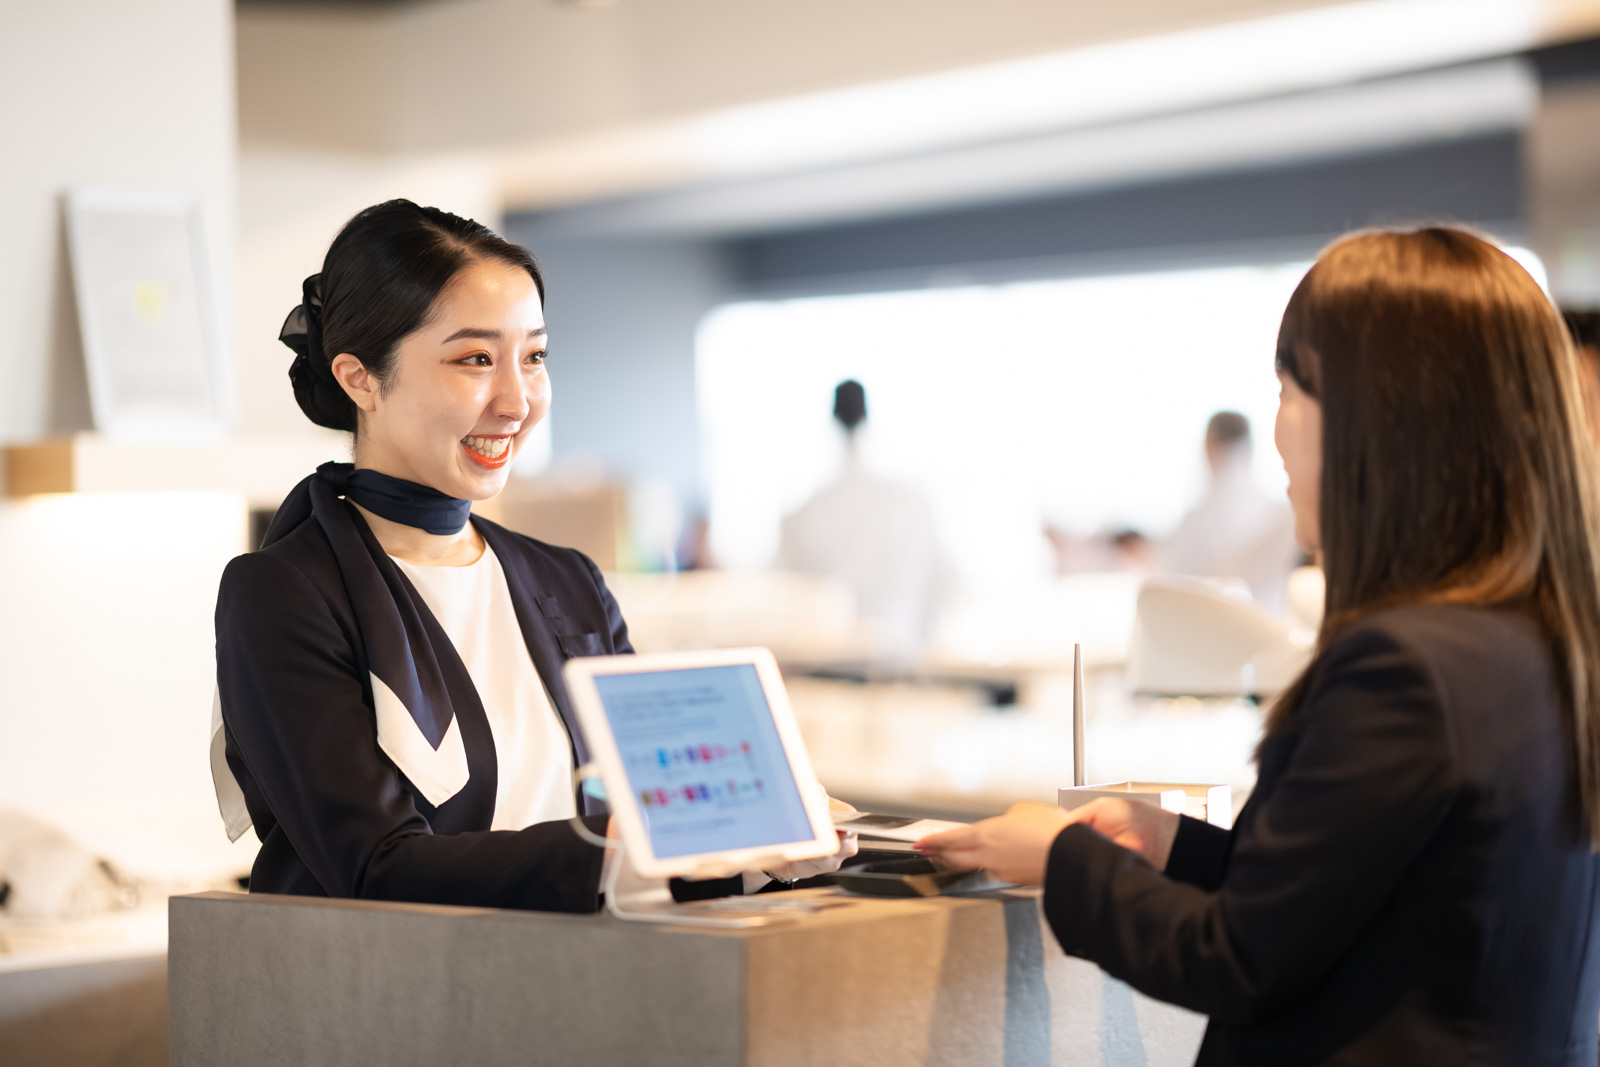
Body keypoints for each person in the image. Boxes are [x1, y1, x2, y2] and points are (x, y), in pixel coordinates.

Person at [918, 228, 1600, 1065]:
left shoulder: (1406, 666)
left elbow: (1237, 956)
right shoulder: (1540, 642)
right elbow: (1365, 886)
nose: (1279, 431)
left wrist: (1065, 858)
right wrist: (1171, 842)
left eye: (1290, 388)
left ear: (1377, 418)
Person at [212, 200, 854, 912]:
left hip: (572, 997)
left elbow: (655, 825)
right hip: (386, 1007)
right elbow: (377, 867)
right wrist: (617, 849)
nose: (518, 400)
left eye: (535, 356)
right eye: (476, 359)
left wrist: (767, 846)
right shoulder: (284, 592)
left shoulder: (566, 580)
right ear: (360, 377)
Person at [776, 380, 946, 663]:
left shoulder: (801, 515)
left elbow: (785, 599)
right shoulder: (912, 502)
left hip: (827, 669)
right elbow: (943, 587)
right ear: (868, 417)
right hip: (902, 662)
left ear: (833, 419)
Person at [1163, 411, 1300, 612]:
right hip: (1271, 631)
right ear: (1251, 449)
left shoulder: (1194, 521)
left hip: (1203, 632)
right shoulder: (1286, 516)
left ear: (1209, 446)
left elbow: (1171, 585)